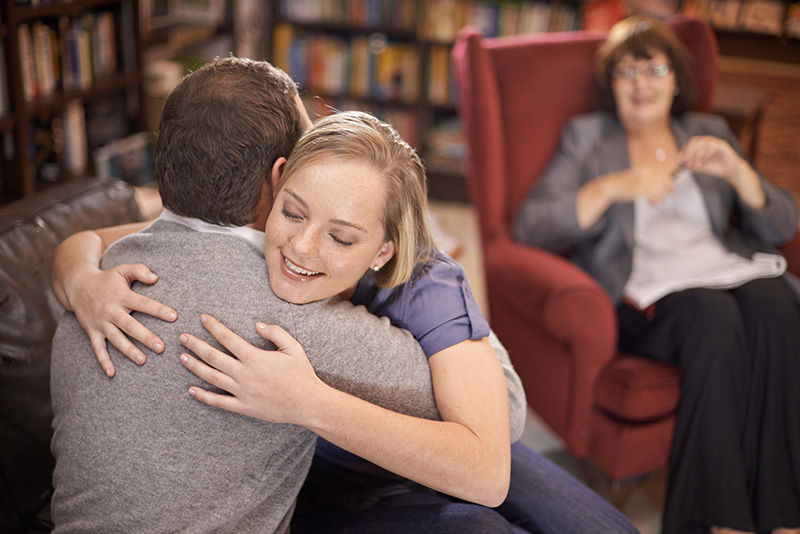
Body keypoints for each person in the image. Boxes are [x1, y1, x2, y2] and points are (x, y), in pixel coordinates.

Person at [54, 109, 639, 532]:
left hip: (426, 412)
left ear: (382, 250)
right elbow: (95, 238)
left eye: (341, 238)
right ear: (276, 186)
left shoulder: (426, 287)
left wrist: (309, 402)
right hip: (323, 441)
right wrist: (82, 278)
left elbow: (489, 455)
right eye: (293, 212)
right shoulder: (260, 225)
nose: (303, 248)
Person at [49, 57, 451, 533]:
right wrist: (439, 280)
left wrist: (74, 267)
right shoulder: (285, 312)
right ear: (282, 176)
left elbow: (99, 241)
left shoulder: (96, 283)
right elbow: (490, 413)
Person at [512, 15, 800, 534]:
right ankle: (718, 523)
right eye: (626, 73)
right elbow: (532, 225)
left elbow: (782, 225)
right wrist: (613, 186)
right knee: (712, 316)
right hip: (642, 296)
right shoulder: (589, 138)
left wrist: (739, 171)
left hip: (720, 265)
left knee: (778, 302)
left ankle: (785, 518)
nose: (641, 83)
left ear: (675, 79)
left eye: (653, 69)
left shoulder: (708, 131)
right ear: (611, 85)